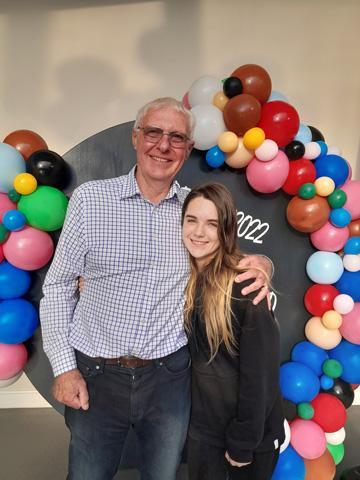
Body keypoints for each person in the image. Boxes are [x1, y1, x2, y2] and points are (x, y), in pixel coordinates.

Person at [40, 97, 272, 480]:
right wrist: (65, 370)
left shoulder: (191, 211)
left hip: (169, 379)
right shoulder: (90, 200)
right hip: (96, 376)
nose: (163, 146)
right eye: (154, 132)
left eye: (177, 137)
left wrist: (265, 263)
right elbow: (59, 287)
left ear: (187, 149)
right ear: (136, 137)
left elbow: (228, 252)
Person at [181, 182, 284, 480]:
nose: (199, 232)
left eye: (212, 224)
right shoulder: (182, 278)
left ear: (226, 230)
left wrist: (242, 442)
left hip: (248, 437)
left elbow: (261, 376)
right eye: (192, 220)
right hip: (203, 431)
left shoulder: (245, 288)